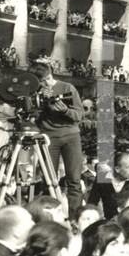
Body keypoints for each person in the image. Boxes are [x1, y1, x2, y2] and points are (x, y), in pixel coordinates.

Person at [29, 62, 85, 212]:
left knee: (74, 180)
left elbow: (79, 115)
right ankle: (50, 215)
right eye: (42, 81)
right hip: (49, 138)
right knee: (49, 180)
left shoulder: (68, 88)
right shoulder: (34, 92)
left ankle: (75, 219)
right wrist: (40, 100)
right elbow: (32, 117)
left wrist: (65, 110)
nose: (47, 83)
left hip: (71, 136)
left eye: (48, 78)